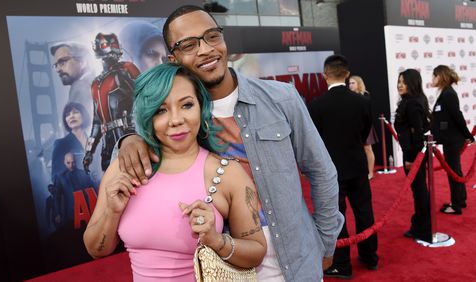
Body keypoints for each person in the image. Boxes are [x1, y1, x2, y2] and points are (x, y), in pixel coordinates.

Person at [115, 5, 343, 281]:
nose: (205, 50)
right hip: (227, 265)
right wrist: (128, 138)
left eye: (212, 36)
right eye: (189, 44)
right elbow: (145, 133)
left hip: (298, 260)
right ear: (172, 59)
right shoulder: (182, 120)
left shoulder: (282, 98)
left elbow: (322, 172)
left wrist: (326, 242)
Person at [84, 63, 267, 281]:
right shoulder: (126, 167)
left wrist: (216, 240)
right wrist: (111, 213)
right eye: (161, 110)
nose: (176, 119)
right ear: (147, 116)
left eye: (187, 105)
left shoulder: (227, 173)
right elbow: (96, 249)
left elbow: (256, 252)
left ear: (201, 106)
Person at [309, 55, 377, 279]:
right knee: (364, 212)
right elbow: (365, 131)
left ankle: (342, 266)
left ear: (325, 76)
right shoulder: (362, 102)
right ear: (347, 74)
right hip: (358, 166)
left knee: (336, 218)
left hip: (330, 171)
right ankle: (370, 258)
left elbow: (314, 139)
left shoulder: (317, 105)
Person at [82, 33, 141, 172]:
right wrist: (89, 152)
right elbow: (97, 121)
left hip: (130, 135)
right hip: (107, 143)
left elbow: (147, 99)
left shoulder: (127, 69)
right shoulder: (96, 83)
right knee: (113, 182)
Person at [393, 69, 432, 242]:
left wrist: (411, 159)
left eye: (404, 81)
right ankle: (421, 225)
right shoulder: (412, 101)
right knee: (419, 190)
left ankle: (422, 228)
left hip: (414, 155)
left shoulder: (413, 103)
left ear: (412, 83)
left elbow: (417, 134)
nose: (400, 85)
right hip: (413, 153)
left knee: (419, 190)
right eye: (399, 81)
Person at [431, 65, 475, 215]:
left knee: (453, 172)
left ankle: (456, 205)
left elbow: (457, 116)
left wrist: (468, 135)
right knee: (455, 170)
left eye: (434, 75)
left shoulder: (448, 94)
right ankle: (460, 200)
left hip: (453, 139)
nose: (433, 79)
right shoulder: (445, 93)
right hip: (450, 139)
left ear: (441, 76)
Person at [50, 42, 95, 116]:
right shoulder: (94, 82)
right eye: (56, 65)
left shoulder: (80, 87)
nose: (58, 69)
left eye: (62, 62)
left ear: (82, 61)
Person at [51, 102, 91, 180]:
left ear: (84, 115)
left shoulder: (95, 141)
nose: (71, 116)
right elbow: (56, 177)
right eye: (67, 115)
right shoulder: (61, 144)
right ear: (66, 120)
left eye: (75, 112)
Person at [349, 75, 378, 179]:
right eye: (349, 83)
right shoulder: (349, 96)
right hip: (353, 127)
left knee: (368, 149)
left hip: (365, 126)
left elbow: (367, 114)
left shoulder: (365, 96)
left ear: (358, 84)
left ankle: (370, 173)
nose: (350, 85)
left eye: (353, 83)